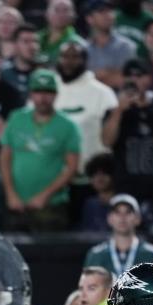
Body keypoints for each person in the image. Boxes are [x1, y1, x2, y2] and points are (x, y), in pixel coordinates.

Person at [102, 58, 153, 235]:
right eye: (129, 76)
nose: (133, 80)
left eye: (139, 75)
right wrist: (119, 110)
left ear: (148, 79)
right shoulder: (114, 113)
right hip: (127, 193)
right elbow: (107, 141)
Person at [0, 69, 81, 231]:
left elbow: (72, 167)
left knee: (51, 255)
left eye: (48, 92)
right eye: (38, 92)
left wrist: (44, 196)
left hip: (52, 205)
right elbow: (4, 157)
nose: (43, 98)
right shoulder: (16, 118)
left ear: (56, 94)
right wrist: (10, 193)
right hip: (15, 203)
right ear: (30, 94)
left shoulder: (68, 125)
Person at [54, 40, 118, 219]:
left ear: (85, 60)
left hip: (91, 180)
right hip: (55, 179)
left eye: (75, 57)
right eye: (65, 56)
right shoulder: (49, 89)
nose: (69, 62)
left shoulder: (103, 93)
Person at [83, 194, 153, 277]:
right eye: (117, 212)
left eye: (128, 212)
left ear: (138, 219)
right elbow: (87, 288)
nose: (122, 217)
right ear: (109, 218)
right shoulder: (96, 255)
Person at [85, 0, 137, 89]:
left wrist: (94, 76)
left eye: (110, 11)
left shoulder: (126, 46)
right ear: (90, 19)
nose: (108, 15)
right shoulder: (83, 49)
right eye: (101, 11)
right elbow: (81, 82)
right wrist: (110, 73)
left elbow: (125, 80)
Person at [80, 152, 117, 231]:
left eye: (105, 173)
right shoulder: (90, 204)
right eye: (95, 174)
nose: (100, 178)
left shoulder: (122, 204)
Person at [2, 23, 40, 96]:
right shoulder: (2, 72)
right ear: (15, 45)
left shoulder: (45, 71)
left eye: (35, 41)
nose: (32, 46)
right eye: (26, 41)